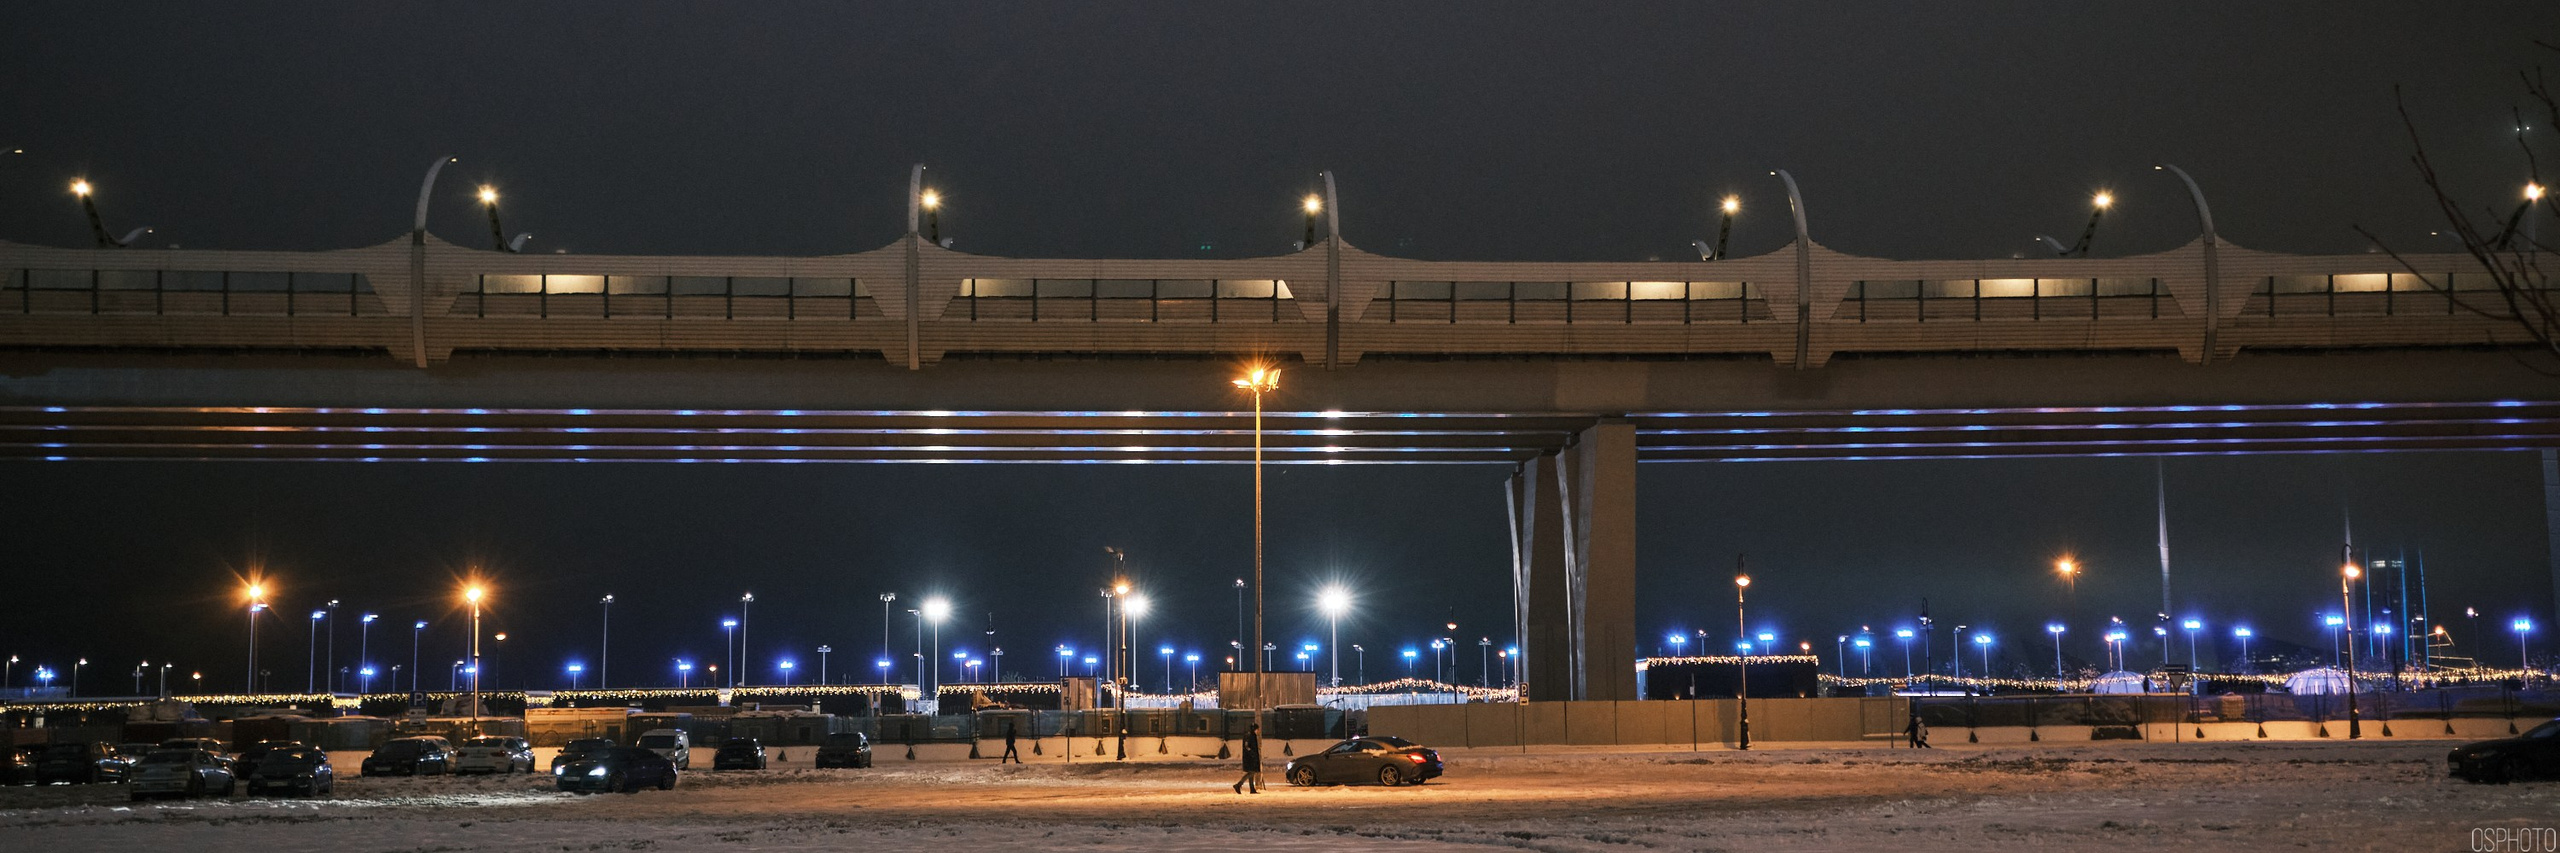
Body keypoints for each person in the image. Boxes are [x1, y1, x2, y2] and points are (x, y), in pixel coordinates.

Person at [1231, 723, 1262, 794]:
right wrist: (1253, 754)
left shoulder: (1251, 735)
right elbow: (1247, 746)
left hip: (1250, 757)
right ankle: (1238, 784)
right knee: (1252, 772)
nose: (1258, 731)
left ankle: (1252, 789)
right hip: (1250, 758)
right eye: (1257, 729)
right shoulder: (1250, 736)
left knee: (1252, 772)